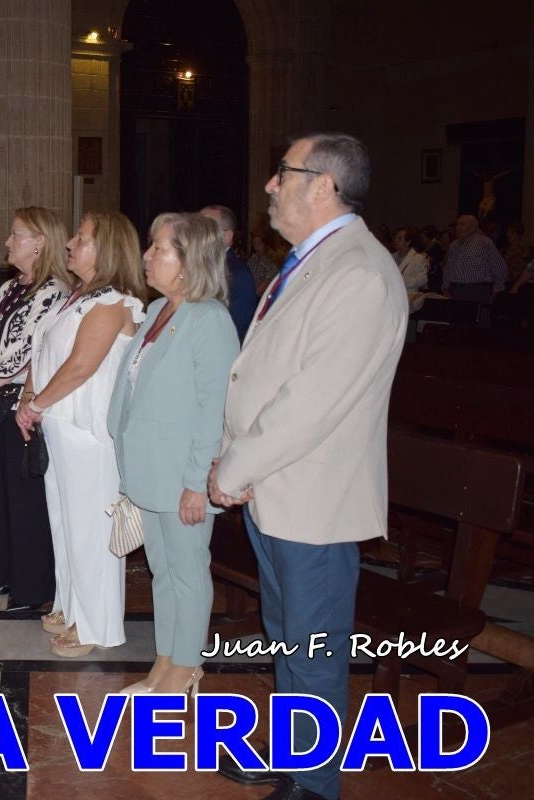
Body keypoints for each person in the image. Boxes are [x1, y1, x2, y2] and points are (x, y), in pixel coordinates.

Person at [209, 132, 407, 800]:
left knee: (314, 648)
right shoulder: (312, 260)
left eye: (282, 173)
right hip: (280, 488)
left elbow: (311, 403)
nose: (270, 185)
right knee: (288, 636)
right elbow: (263, 374)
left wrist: (233, 468)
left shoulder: (357, 272)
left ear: (321, 183)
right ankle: (297, 755)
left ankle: (315, 785)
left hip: (314, 496)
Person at [108, 212, 239, 695]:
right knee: (162, 571)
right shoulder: (162, 310)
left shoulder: (210, 320)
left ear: (189, 261)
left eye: (159, 248)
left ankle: (187, 666)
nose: (147, 256)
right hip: (149, 468)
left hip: (182, 474)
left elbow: (214, 410)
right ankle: (165, 660)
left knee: (187, 572)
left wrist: (195, 482)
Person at [15, 211, 147, 658]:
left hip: (90, 434)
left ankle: (97, 626)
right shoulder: (79, 296)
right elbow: (45, 351)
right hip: (61, 425)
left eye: (82, 238)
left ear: (106, 249)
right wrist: (30, 395)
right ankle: (72, 608)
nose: (70, 243)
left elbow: (80, 366)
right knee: (64, 525)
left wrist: (35, 404)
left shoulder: (113, 302)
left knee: (91, 530)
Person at [0, 207, 69, 611]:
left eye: (16, 234)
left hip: (22, 405)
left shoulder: (53, 292)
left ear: (40, 242)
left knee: (26, 500)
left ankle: (32, 587)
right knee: (0, 493)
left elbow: (31, 353)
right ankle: (4, 576)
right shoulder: (9, 288)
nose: (7, 241)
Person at [200, 204, 257, 341]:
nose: (198, 234)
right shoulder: (194, 267)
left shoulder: (239, 274)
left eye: (206, 229)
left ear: (227, 236)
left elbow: (237, 330)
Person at [442, 213, 507, 301]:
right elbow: (448, 268)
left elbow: (499, 267)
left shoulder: (485, 243)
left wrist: (496, 291)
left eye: (462, 224)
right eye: (457, 224)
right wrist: (445, 288)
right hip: (455, 290)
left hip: (477, 291)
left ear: (472, 227)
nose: (458, 227)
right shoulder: (454, 245)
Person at [246, 229, 279, 296]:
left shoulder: (272, 260)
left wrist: (249, 296)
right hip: (250, 292)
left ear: (265, 244)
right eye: (254, 244)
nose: (256, 247)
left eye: (259, 244)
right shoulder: (253, 258)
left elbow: (264, 284)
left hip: (264, 297)